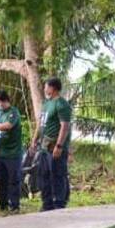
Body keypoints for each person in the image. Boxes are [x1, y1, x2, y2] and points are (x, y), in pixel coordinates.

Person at [31, 77, 72, 210]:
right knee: (44, 175)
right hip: (44, 147)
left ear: (53, 88)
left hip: (55, 147)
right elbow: (40, 123)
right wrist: (34, 140)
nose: (44, 89)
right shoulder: (46, 103)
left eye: (46, 86)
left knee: (58, 175)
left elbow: (64, 126)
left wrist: (59, 145)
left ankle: (59, 203)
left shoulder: (61, 104)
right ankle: (47, 203)